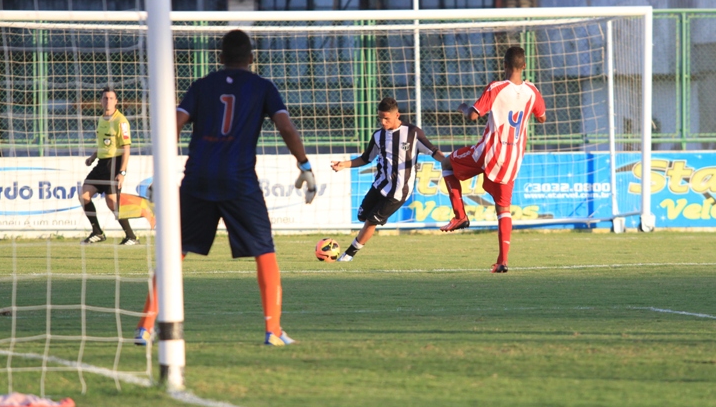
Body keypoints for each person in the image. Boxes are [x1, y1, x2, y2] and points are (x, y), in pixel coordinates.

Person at [134, 29, 317, 347]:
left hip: (198, 177)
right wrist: (304, 165)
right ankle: (272, 330)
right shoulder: (262, 87)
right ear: (251, 58)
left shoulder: (202, 86)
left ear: (220, 58)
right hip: (239, 180)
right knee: (264, 252)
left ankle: (145, 328)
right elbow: (285, 126)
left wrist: (159, 170)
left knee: (175, 252)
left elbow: (173, 124)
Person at [439, 46, 546, 273]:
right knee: (503, 208)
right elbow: (543, 117)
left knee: (447, 163)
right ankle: (502, 261)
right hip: (513, 158)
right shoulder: (532, 91)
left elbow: (473, 115)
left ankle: (460, 215)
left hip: (488, 152)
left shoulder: (496, 87)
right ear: (524, 66)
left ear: (505, 65)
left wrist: (464, 107)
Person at [331, 97, 444, 262]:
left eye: (387, 119)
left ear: (397, 115)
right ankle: (366, 230)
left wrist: (448, 161)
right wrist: (344, 164)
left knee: (371, 221)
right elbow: (365, 158)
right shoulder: (378, 136)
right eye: (380, 118)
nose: (383, 122)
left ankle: (348, 255)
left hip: (398, 191)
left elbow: (433, 151)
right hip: (379, 185)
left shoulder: (412, 133)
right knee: (362, 215)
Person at [80, 86, 139, 245]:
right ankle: (97, 232)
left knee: (112, 202)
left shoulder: (121, 122)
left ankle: (131, 236)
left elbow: (126, 148)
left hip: (115, 164)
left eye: (111, 98)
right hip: (101, 164)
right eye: (105, 98)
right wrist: (93, 157)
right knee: (84, 195)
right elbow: (103, 144)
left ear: (116, 101)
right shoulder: (101, 119)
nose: (108, 101)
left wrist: (122, 172)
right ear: (101, 101)